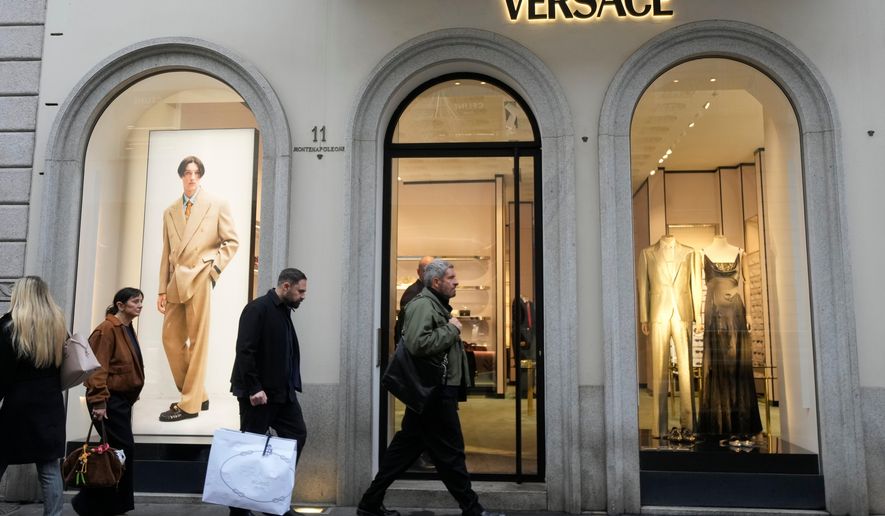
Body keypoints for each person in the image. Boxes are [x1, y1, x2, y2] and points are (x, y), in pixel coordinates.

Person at [358, 259, 504, 516]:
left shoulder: (434, 304)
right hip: (434, 391)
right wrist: (451, 329)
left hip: (433, 390)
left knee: (404, 450)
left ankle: (370, 503)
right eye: (451, 277)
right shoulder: (424, 305)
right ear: (436, 282)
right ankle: (473, 509)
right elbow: (417, 344)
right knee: (451, 453)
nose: (456, 281)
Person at [157, 155, 239, 422]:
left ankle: (189, 405)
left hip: (200, 276)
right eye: (187, 173)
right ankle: (197, 394)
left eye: (196, 173)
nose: (191, 177)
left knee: (198, 341)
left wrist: (212, 270)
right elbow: (166, 253)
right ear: (181, 176)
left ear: (201, 176)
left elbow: (231, 242)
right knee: (170, 340)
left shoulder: (216, 204)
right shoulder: (170, 211)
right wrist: (161, 289)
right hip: (175, 281)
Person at [229, 268, 309, 516]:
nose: (303, 296)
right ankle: (240, 510)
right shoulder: (258, 308)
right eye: (300, 290)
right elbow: (245, 350)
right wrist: (254, 388)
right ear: (286, 286)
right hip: (259, 395)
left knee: (297, 434)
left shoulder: (283, 311)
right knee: (251, 451)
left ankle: (272, 500)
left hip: (282, 394)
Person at [72, 287, 145, 516]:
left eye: (141, 301)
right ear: (120, 305)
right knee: (120, 452)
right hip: (109, 401)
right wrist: (100, 401)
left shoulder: (125, 328)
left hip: (121, 402)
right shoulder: (107, 329)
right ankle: (90, 502)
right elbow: (98, 368)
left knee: (116, 453)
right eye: (135, 301)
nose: (140, 305)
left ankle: (105, 504)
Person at [0, 276, 67, 516]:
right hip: (50, 402)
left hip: (19, 402)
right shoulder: (58, 324)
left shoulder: (9, 326)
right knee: (49, 466)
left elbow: (2, 371)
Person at [393, 255, 434, 344]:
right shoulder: (412, 293)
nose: (430, 274)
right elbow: (412, 331)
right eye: (426, 270)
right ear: (418, 272)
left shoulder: (428, 290)